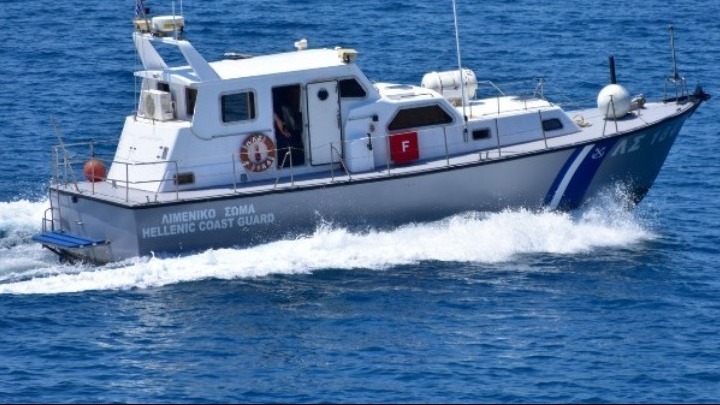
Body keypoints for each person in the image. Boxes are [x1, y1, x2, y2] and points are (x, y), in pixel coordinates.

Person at [273, 87, 305, 168]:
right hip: (278, 134)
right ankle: (293, 162)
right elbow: (278, 120)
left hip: (279, 131)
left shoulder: (283, 107)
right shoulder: (280, 108)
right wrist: (283, 132)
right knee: (289, 142)